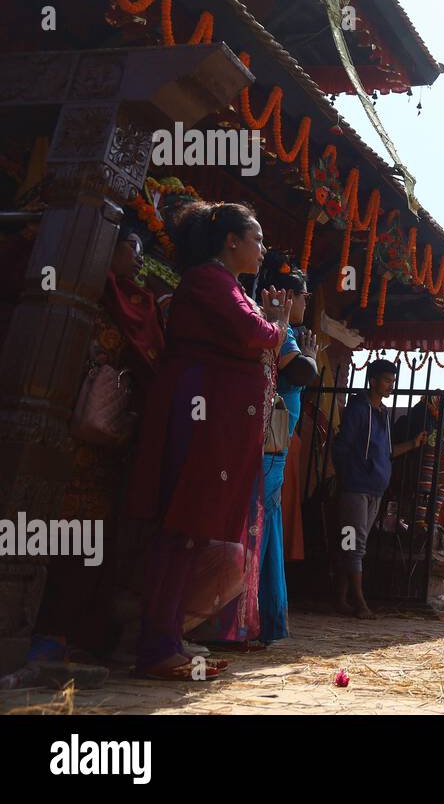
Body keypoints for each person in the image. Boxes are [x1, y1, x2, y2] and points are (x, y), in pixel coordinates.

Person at [128, 202, 287, 680]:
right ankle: (157, 647)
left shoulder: (224, 283)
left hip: (208, 416)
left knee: (190, 529)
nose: (262, 249)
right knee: (180, 526)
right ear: (231, 241)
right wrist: (278, 321)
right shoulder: (209, 280)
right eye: (256, 239)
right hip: (196, 413)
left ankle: (169, 639)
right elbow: (253, 331)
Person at [35, 222, 165, 662]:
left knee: (88, 540)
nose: (138, 257)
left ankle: (70, 632)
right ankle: (49, 629)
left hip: (101, 441)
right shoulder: (92, 294)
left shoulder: (132, 302)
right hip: (61, 428)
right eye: (132, 246)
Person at [253, 252, 317, 646]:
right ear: (290, 297)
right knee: (261, 523)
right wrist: (308, 355)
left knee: (269, 523)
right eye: (305, 296)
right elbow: (299, 370)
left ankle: (266, 619)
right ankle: (250, 616)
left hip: (276, 441)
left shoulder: (287, 330)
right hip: (269, 441)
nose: (307, 305)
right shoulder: (285, 331)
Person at [330, 358, 427, 619]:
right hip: (356, 488)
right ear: (373, 380)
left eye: (393, 381)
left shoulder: (383, 414)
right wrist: (348, 476)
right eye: (387, 380)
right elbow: (341, 447)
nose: (390, 386)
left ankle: (341, 599)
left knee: (350, 544)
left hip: (374, 488)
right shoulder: (359, 410)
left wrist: (412, 444)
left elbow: (387, 452)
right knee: (354, 544)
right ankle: (359, 603)